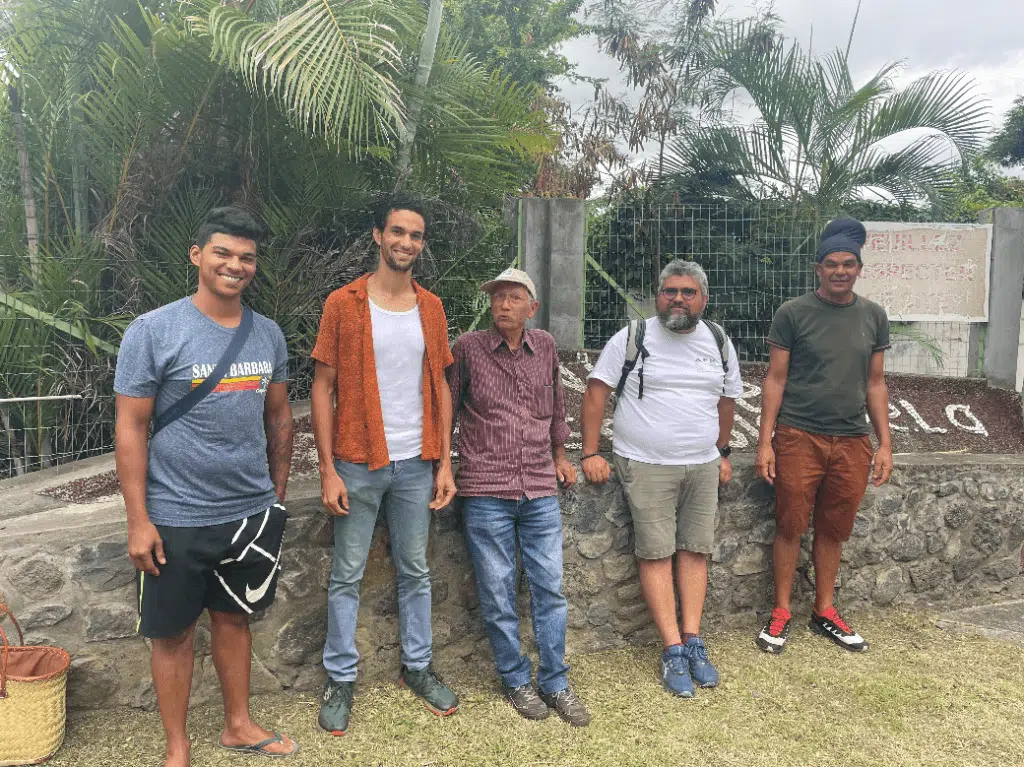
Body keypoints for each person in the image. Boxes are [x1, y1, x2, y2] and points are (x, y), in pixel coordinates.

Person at [114, 206, 296, 765]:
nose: (234, 265)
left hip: (248, 513)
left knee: (234, 618)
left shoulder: (267, 334)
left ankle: (238, 724)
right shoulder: (153, 331)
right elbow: (130, 426)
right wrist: (139, 520)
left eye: (246, 257)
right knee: (170, 635)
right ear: (197, 255)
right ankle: (177, 747)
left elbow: (280, 418)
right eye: (222, 252)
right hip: (175, 515)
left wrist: (276, 498)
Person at [310, 195, 458, 737]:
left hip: (417, 464)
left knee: (415, 573)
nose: (406, 243)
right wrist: (327, 468)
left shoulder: (431, 308)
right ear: (378, 235)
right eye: (397, 232)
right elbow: (321, 387)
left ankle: (418, 668)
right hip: (357, 462)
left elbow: (440, 383)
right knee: (346, 575)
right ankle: (340, 678)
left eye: (415, 235)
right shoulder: (343, 303)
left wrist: (444, 461)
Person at [581, 259, 742, 698]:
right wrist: (591, 451)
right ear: (658, 295)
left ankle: (693, 640)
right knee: (655, 553)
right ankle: (671, 648)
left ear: (703, 300)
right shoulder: (633, 338)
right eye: (670, 291)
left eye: (688, 292)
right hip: (645, 463)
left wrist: (723, 452)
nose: (677, 299)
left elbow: (727, 400)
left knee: (695, 550)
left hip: (703, 464)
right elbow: (596, 393)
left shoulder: (719, 342)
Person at [448, 268, 591, 726]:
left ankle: (555, 682)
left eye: (512, 298)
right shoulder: (468, 348)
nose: (502, 305)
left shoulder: (544, 344)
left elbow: (556, 406)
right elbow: (446, 407)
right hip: (485, 486)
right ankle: (514, 679)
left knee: (550, 587)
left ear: (532, 308)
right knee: (497, 592)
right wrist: (440, 468)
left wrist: (560, 454)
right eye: (496, 298)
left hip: (539, 487)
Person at [755, 217, 893, 655]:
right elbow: (775, 379)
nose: (840, 271)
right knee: (791, 525)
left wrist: (884, 443)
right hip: (799, 436)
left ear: (859, 268)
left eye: (848, 264)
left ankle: (825, 610)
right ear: (817, 269)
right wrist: (765, 441)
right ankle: (780, 612)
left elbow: (875, 383)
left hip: (852, 440)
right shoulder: (793, 314)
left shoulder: (873, 316)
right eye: (831, 264)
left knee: (834, 527)